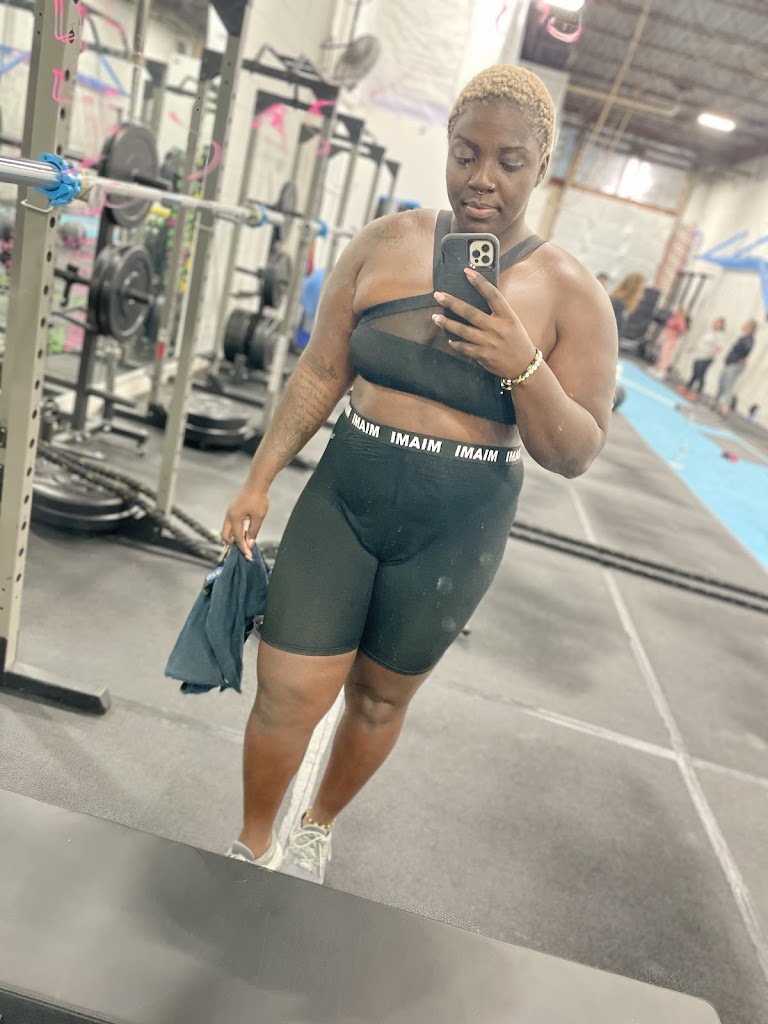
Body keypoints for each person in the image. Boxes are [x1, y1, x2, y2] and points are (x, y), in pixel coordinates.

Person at [220, 65, 618, 883]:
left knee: (378, 699)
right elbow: (319, 371)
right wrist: (259, 478)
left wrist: (523, 364)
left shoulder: (573, 294)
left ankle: (317, 828)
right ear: (447, 147)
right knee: (287, 688)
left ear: (542, 167)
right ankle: (252, 843)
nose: (482, 178)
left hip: (459, 524)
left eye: (509, 161)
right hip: (349, 490)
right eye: (466, 154)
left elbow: (575, 452)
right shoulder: (383, 243)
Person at [715, 319, 757, 416]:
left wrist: (739, 358)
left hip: (735, 364)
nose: (742, 325)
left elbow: (745, 350)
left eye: (745, 324)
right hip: (731, 362)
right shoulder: (744, 338)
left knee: (728, 385)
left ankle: (725, 408)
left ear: (749, 327)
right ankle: (716, 402)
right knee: (722, 382)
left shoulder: (749, 339)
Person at [684, 316, 726, 398]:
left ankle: (698, 391)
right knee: (695, 372)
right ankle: (688, 387)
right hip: (699, 354)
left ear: (721, 325)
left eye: (717, 322)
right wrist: (693, 348)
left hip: (706, 357)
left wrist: (711, 354)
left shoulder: (720, 335)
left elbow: (719, 347)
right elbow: (702, 343)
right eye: (715, 322)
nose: (715, 323)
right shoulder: (709, 333)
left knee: (700, 374)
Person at [653, 306, 687, 377]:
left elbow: (681, 331)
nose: (674, 311)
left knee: (666, 354)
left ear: (680, 312)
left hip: (672, 338)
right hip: (666, 335)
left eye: (676, 311)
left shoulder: (680, 320)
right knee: (661, 352)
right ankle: (657, 368)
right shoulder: (673, 318)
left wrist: (673, 333)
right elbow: (668, 325)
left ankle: (662, 370)